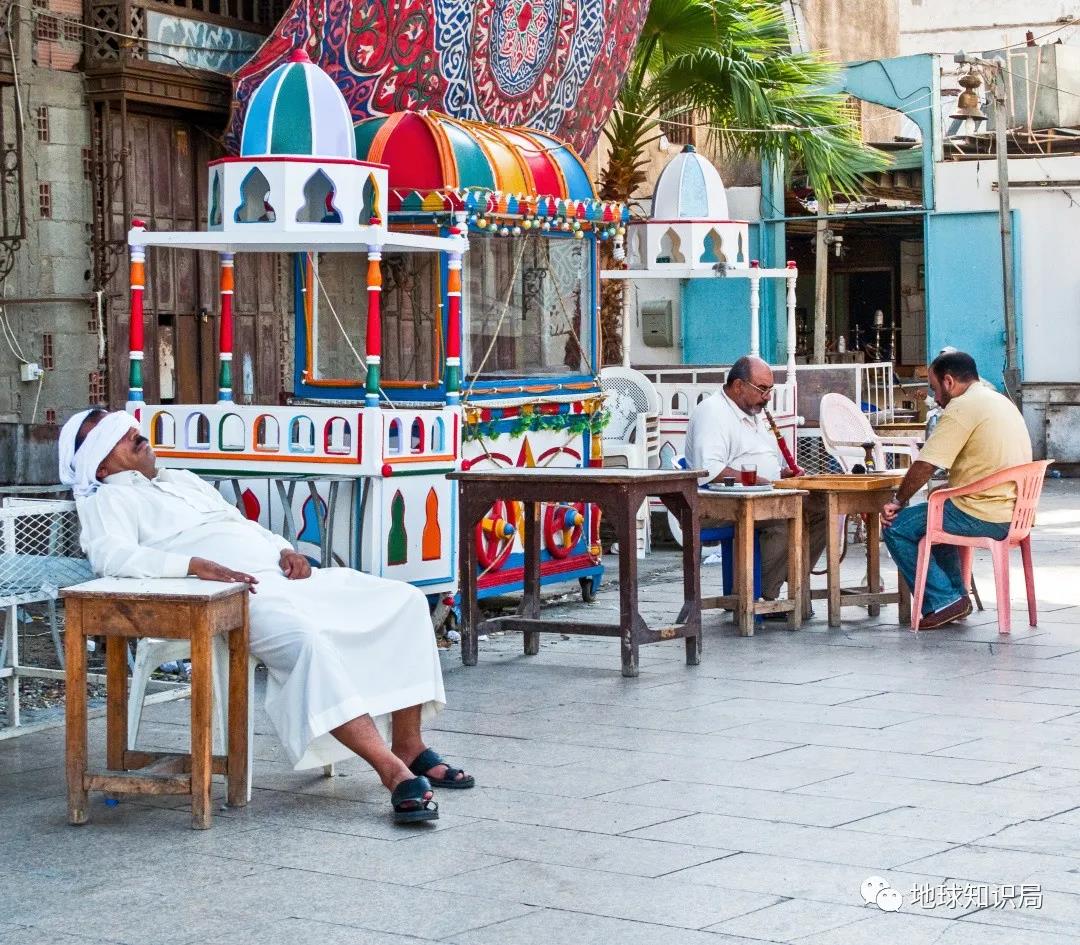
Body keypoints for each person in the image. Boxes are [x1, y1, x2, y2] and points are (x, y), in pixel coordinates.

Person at [59, 408, 474, 823]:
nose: (136, 435)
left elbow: (242, 524)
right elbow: (110, 556)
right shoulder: (109, 498)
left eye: (131, 428)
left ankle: (410, 744)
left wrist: (284, 549)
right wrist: (192, 565)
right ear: (98, 460)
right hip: (235, 595)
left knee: (403, 601)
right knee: (306, 642)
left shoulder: (180, 480)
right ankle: (392, 771)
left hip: (284, 577)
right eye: (117, 434)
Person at [881, 351, 1032, 629]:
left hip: (983, 513)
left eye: (935, 389)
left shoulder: (962, 407)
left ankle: (943, 600)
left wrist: (898, 500)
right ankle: (954, 598)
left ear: (949, 382)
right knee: (935, 514)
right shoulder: (999, 400)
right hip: (1015, 512)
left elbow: (926, 463)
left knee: (897, 526)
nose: (936, 399)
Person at [684, 355, 828, 610]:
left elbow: (758, 458)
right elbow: (709, 469)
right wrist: (760, 482)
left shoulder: (751, 412)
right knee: (785, 518)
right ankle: (756, 594)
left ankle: (778, 585)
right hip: (715, 504)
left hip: (761, 496)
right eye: (762, 389)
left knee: (821, 511)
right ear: (738, 386)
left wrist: (781, 475)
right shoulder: (713, 412)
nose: (768, 396)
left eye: (770, 389)